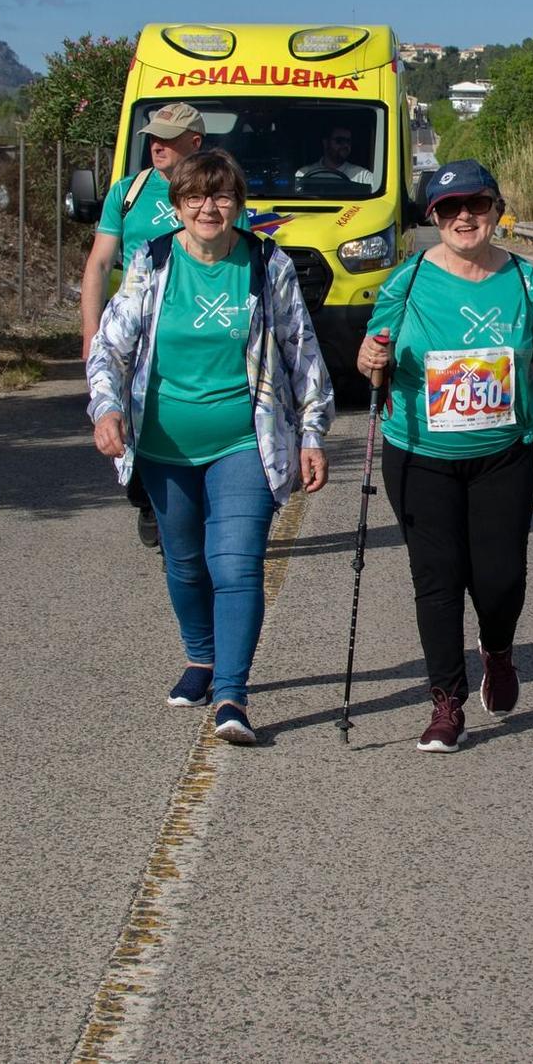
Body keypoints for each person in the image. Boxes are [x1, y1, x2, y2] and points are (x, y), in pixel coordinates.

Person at [87, 150, 334, 745]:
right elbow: (112, 346)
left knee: (236, 562)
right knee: (185, 564)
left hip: (244, 440)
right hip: (164, 444)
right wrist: (108, 406)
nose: (208, 207)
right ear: (176, 205)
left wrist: (312, 431)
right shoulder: (153, 260)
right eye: (195, 196)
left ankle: (231, 694)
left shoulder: (264, 262)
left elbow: (302, 350)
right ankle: (200, 657)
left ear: (238, 205)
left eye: (221, 196)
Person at [354, 159, 533, 753]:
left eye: (476, 205)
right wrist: (370, 364)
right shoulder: (406, 281)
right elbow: (370, 355)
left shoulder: (526, 281)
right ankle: (445, 703)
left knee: (501, 580)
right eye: (449, 208)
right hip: (419, 452)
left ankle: (498, 650)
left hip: (503, 453)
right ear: (434, 217)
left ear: (497, 210)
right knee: (438, 580)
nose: (464, 217)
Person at [81, 101, 207, 548]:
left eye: (168, 139)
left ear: (194, 143)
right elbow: (98, 265)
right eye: (153, 137)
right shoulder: (127, 192)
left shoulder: (216, 195)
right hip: (134, 330)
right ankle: (147, 499)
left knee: (179, 416)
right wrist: (92, 336)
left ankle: (181, 509)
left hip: (195, 330)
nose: (157, 146)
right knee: (133, 422)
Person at [293, 123, 374, 192]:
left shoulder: (363, 176)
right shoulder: (304, 173)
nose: (345, 145)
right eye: (339, 140)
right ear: (325, 143)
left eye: (348, 141)